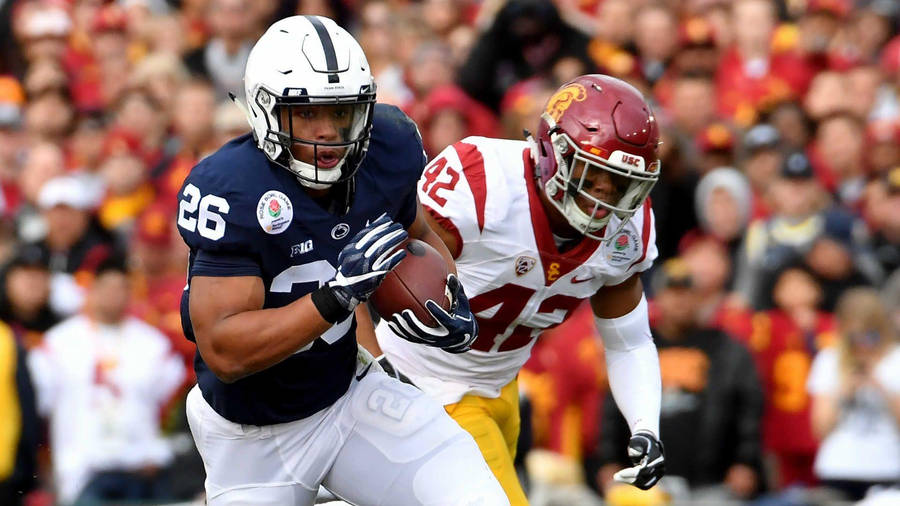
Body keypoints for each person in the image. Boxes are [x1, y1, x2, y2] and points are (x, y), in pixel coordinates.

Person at [176, 15, 507, 506]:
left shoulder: (387, 148)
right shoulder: (232, 189)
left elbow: (419, 233)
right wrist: (335, 298)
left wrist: (448, 296)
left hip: (348, 396)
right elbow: (225, 351)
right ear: (266, 109)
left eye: (341, 111)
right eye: (307, 113)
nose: (329, 131)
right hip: (252, 437)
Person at [370, 74, 666, 504]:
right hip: (425, 383)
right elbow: (372, 273)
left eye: (620, 183)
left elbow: (630, 340)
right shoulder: (482, 185)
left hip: (503, 388)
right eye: (592, 174)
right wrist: (374, 371)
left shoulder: (628, 228)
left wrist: (645, 425)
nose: (604, 197)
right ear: (553, 153)